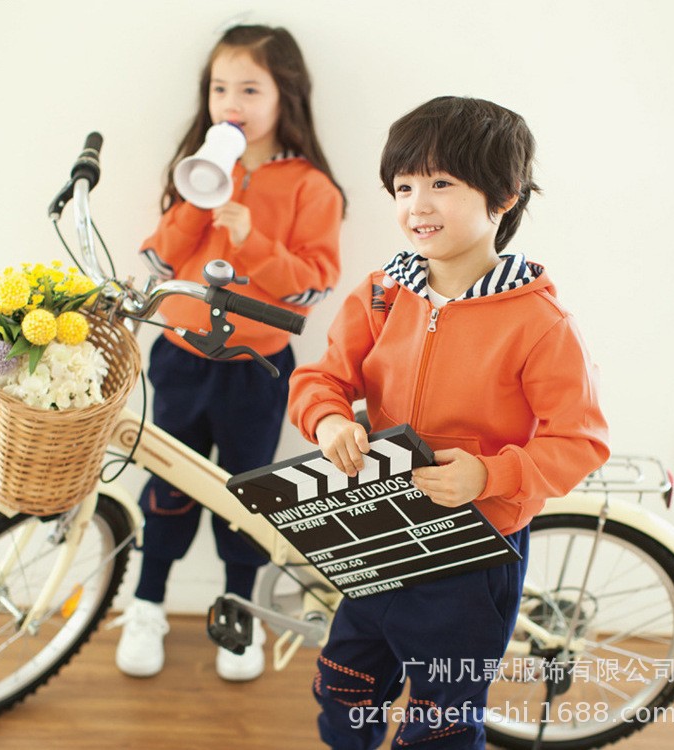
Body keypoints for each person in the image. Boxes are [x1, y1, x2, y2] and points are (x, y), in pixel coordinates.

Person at [288, 96, 610, 749]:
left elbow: (579, 440)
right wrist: (328, 423)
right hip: (380, 534)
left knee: (441, 719)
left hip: (473, 554)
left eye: (441, 183)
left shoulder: (540, 323)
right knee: (344, 685)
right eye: (404, 186)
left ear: (504, 198)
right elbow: (320, 379)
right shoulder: (381, 293)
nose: (417, 204)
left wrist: (490, 476)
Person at [113, 24, 345, 683]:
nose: (231, 103)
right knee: (168, 484)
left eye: (249, 89)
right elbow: (160, 261)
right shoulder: (198, 169)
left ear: (285, 95)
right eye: (220, 89)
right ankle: (147, 604)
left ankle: (239, 612)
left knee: (246, 495)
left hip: (255, 372)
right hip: (180, 358)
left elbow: (314, 283)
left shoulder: (311, 188)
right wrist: (197, 200)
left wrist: (253, 241)